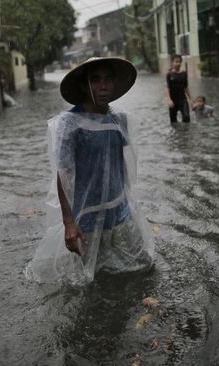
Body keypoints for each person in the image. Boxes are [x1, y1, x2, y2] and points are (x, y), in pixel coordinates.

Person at [25, 57, 155, 285]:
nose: (102, 86)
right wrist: (69, 223)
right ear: (85, 85)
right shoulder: (70, 124)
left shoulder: (119, 120)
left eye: (107, 79)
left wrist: (130, 203)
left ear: (114, 84)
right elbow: (63, 173)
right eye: (95, 80)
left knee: (142, 267)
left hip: (119, 212)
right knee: (88, 281)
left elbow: (120, 166)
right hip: (87, 219)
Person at [166, 54, 193, 123]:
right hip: (173, 100)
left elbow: (186, 87)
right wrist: (169, 100)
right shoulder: (169, 74)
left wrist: (191, 99)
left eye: (179, 62)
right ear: (172, 62)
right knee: (173, 122)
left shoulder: (184, 74)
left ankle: (185, 133)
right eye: (176, 62)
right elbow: (167, 88)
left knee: (186, 117)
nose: (178, 63)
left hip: (182, 99)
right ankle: (176, 133)